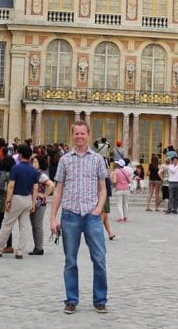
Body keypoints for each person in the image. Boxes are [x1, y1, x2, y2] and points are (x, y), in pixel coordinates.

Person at [49, 120, 109, 314]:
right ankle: (71, 299)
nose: (80, 136)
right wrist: (52, 217)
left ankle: (100, 299)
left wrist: (99, 209)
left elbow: (103, 188)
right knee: (70, 260)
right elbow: (58, 190)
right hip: (70, 215)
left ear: (88, 135)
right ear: (72, 134)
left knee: (99, 258)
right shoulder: (65, 160)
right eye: (77, 133)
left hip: (91, 215)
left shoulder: (98, 160)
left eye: (83, 133)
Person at [0, 145, 36, 258]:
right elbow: (35, 187)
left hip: (17, 198)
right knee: (24, 227)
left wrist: (8, 201)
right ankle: (19, 251)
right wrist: (33, 203)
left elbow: (11, 186)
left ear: (20, 155)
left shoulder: (16, 168)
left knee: (7, 224)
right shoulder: (33, 169)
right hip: (28, 198)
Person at [28, 153, 54, 255]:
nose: (33, 163)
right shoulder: (35, 173)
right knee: (34, 225)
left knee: (37, 225)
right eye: (33, 161)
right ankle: (37, 246)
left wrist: (44, 194)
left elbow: (51, 185)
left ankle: (39, 248)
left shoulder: (41, 174)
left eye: (35, 162)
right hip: (34, 201)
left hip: (40, 203)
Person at [112, 159, 132, 223]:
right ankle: (126, 217)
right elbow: (130, 181)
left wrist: (113, 182)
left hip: (119, 189)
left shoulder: (116, 172)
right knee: (125, 204)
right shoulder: (127, 171)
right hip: (126, 189)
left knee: (119, 204)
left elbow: (114, 181)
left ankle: (121, 218)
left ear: (118, 165)